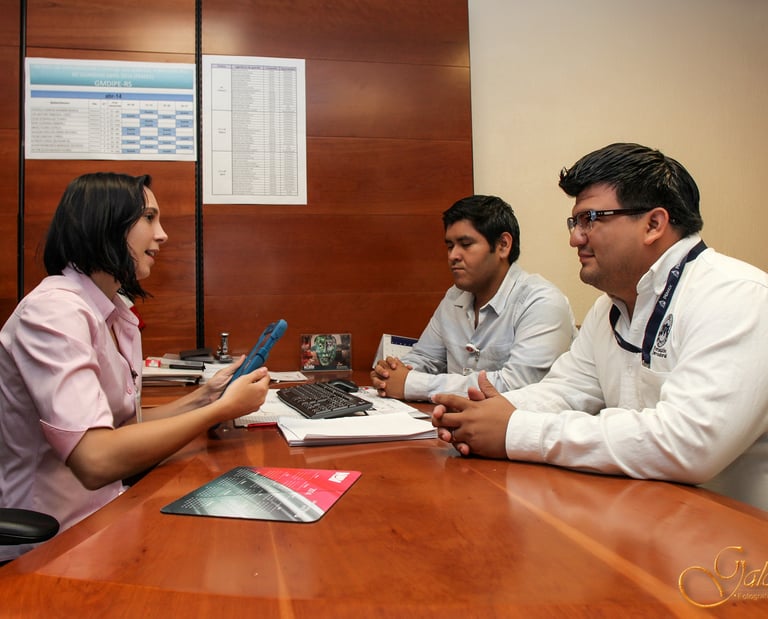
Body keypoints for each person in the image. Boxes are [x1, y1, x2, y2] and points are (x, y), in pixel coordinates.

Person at [431, 143, 768, 509]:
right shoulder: (608, 307)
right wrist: (483, 413)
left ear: (653, 224)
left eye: (591, 219)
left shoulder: (736, 296)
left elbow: (689, 444)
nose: (575, 237)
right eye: (575, 222)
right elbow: (565, 391)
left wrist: (516, 430)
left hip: (733, 545)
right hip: (642, 516)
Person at [0, 173, 270, 561]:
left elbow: (121, 429)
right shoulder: (53, 313)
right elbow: (96, 458)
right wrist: (222, 410)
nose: (161, 235)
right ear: (105, 223)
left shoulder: (113, 312)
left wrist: (204, 397)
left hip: (103, 515)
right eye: (148, 218)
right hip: (54, 542)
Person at [371, 194, 576, 401]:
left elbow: (515, 387)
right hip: (462, 424)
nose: (453, 256)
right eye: (450, 246)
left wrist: (410, 384)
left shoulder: (542, 302)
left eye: (465, 244)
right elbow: (425, 357)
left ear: (503, 245)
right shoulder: (454, 297)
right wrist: (391, 374)